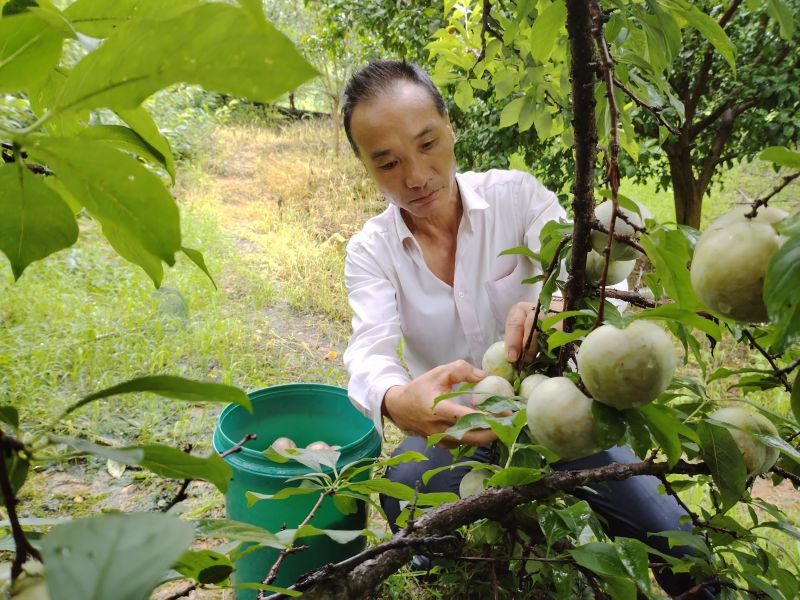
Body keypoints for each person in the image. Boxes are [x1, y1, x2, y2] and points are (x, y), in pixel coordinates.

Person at [341, 59, 712, 598]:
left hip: (562, 409)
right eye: (388, 163)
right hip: (464, 426)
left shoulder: (516, 198)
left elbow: (592, 277)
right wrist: (397, 398)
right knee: (403, 492)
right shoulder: (371, 250)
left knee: (672, 533)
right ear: (366, 167)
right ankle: (465, 573)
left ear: (450, 125)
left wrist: (561, 305)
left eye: (427, 144)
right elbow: (368, 348)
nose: (416, 177)